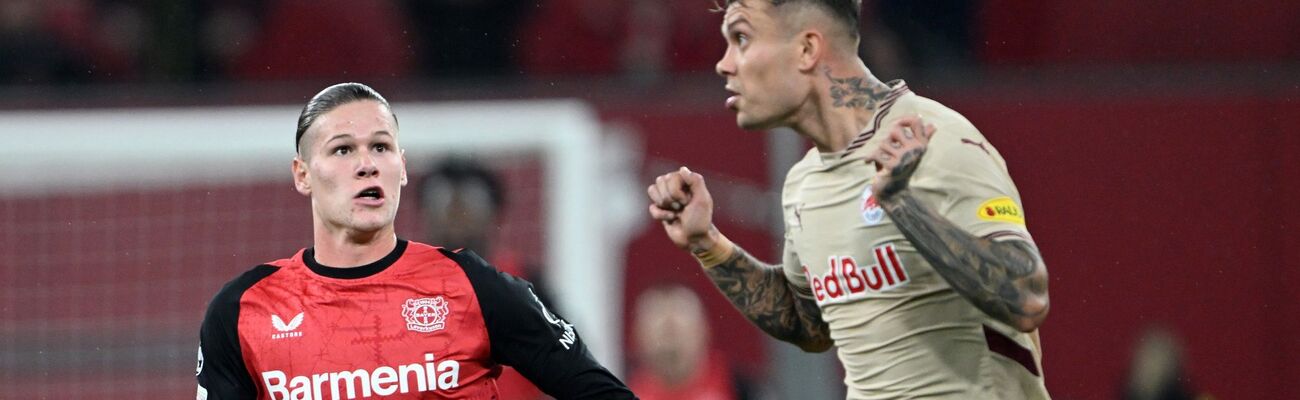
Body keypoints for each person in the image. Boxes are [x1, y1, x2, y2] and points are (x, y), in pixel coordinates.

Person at [646, 1, 1051, 398]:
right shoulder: (805, 182)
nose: (725, 63)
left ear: (806, 49)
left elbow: (1026, 296)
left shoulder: (935, 140)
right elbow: (811, 326)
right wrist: (708, 244)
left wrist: (902, 206)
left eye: (742, 38)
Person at [197, 82, 635, 400]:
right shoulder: (243, 311)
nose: (367, 165)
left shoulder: (473, 288)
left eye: (382, 147)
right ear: (302, 175)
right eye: (343, 150)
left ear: (402, 168)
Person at [628, 283, 752, 400]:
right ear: (638, 335)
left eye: (678, 327)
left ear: (703, 330)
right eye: (661, 329)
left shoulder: (742, 388)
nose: (670, 335)